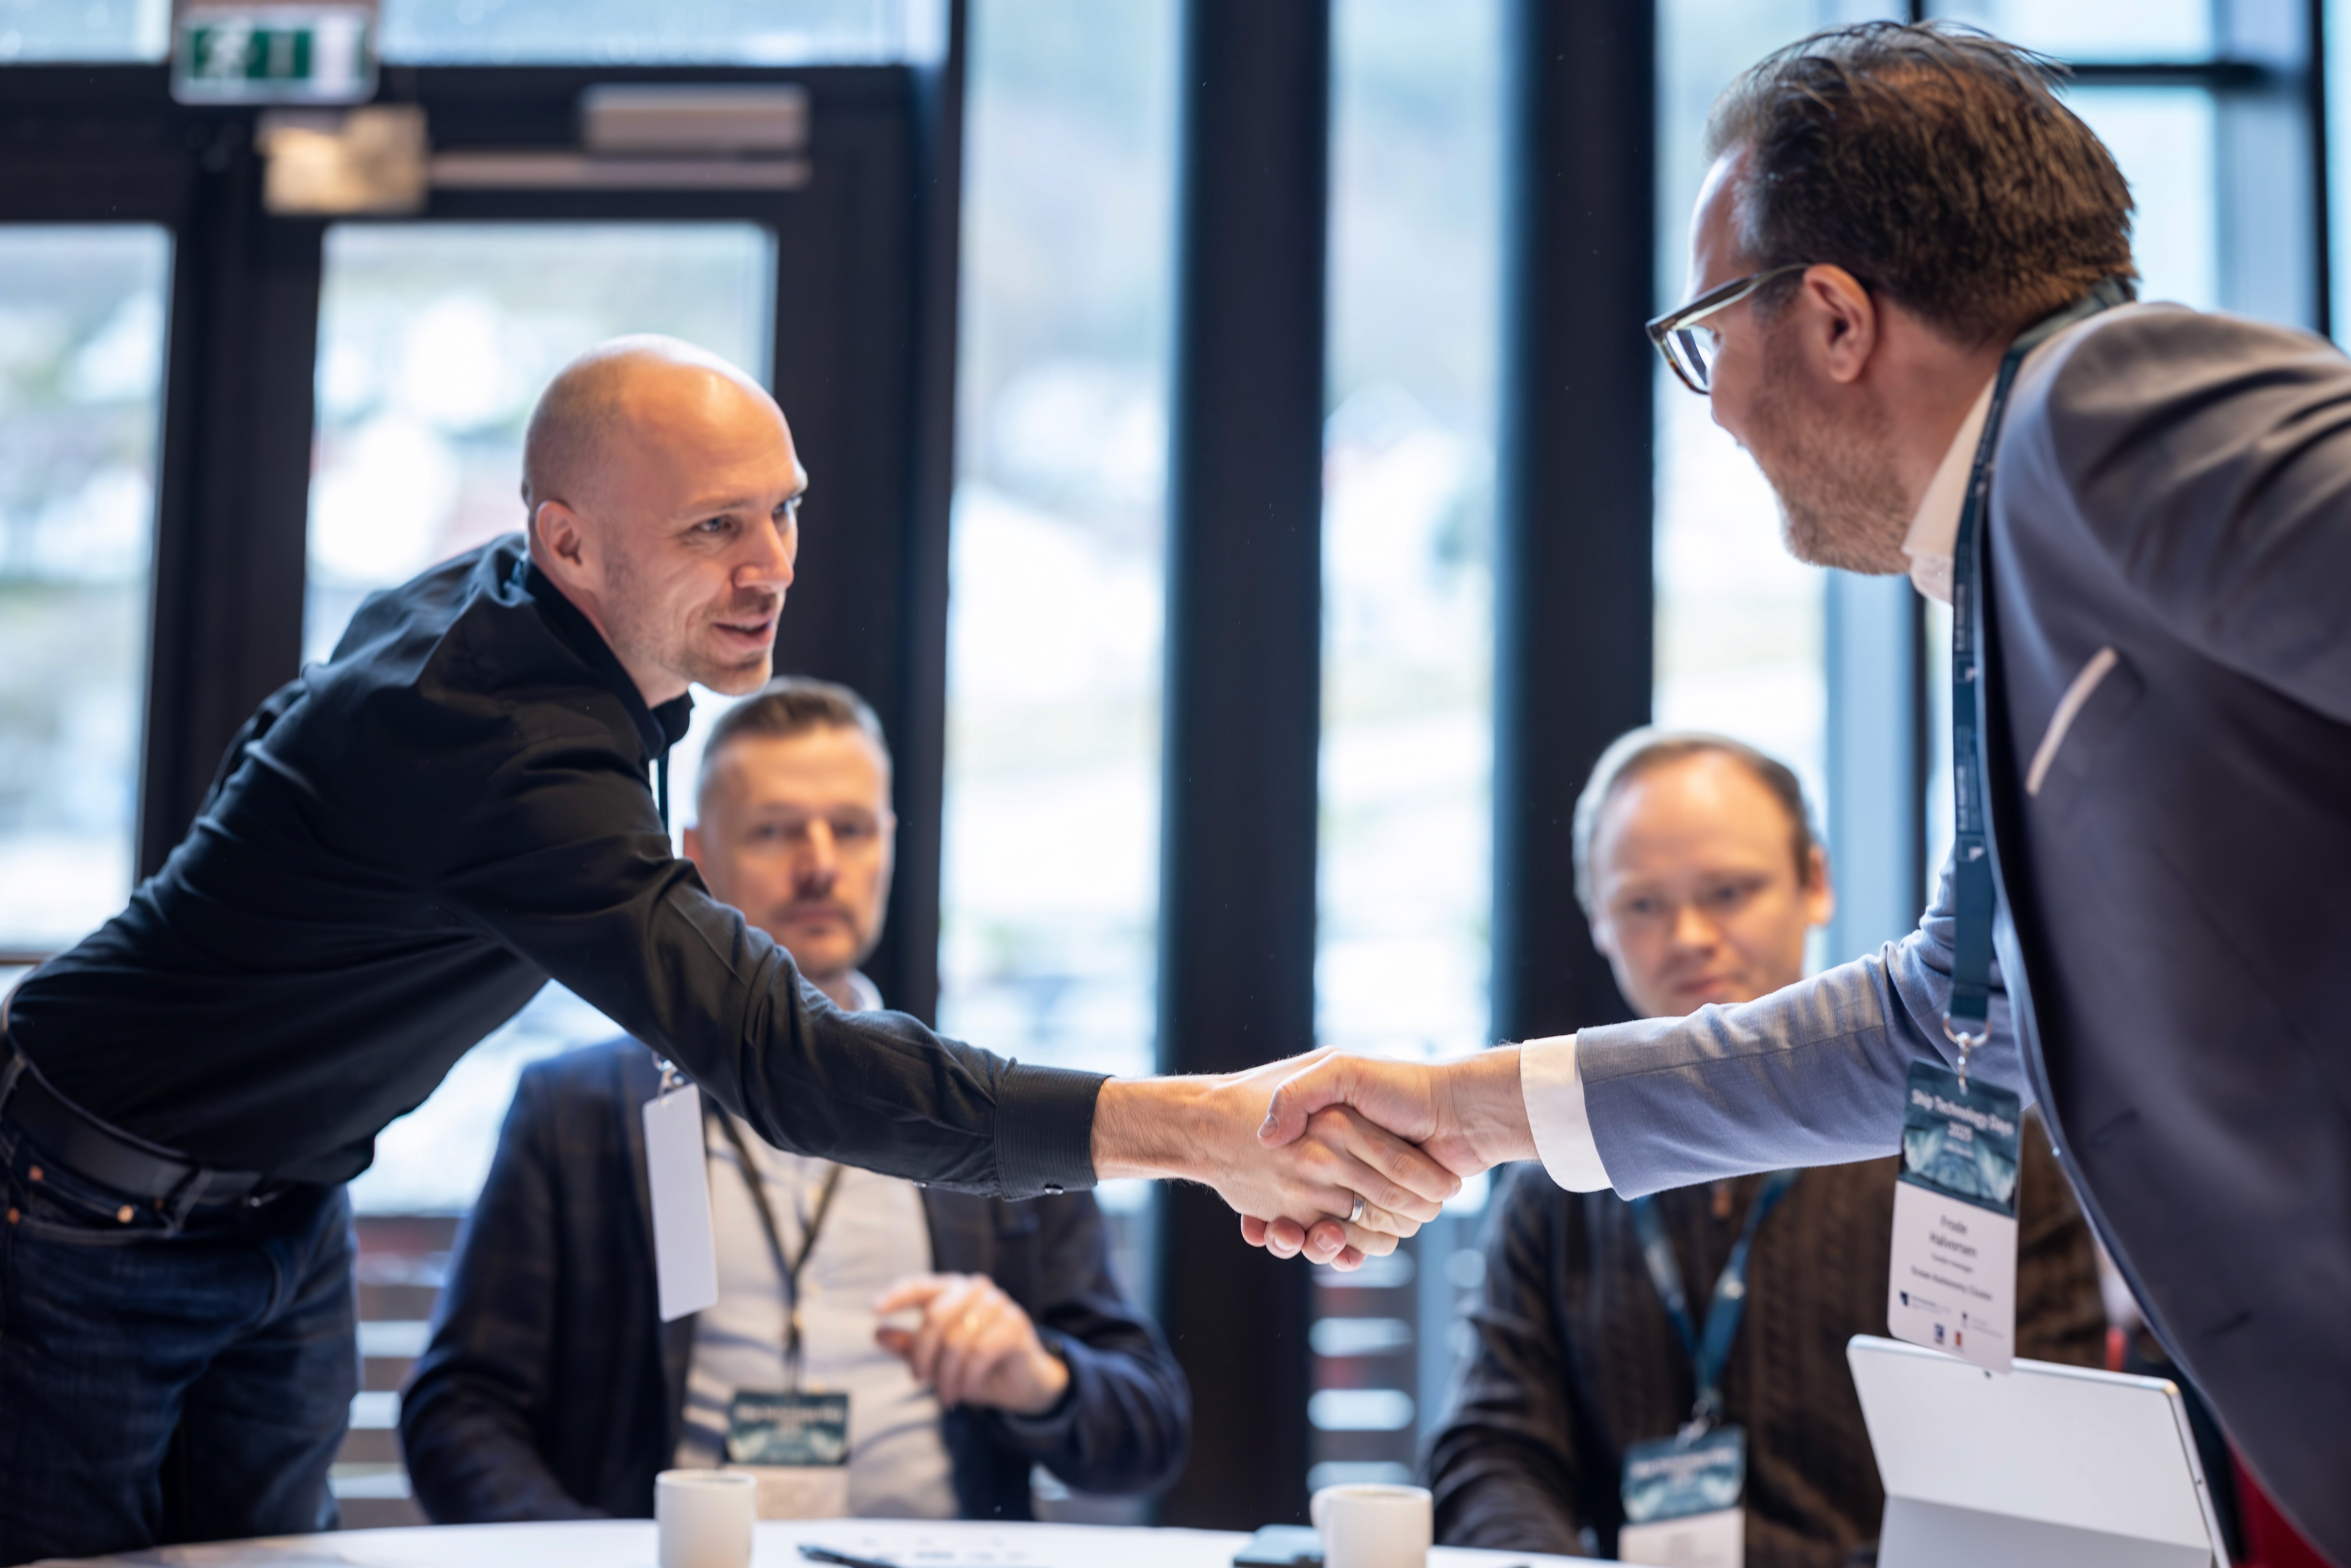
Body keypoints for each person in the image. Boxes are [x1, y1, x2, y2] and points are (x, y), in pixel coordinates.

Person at [0, 337, 1450, 1562]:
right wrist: (1203, 1129)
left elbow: (278, 742)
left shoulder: (509, 620)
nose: (771, 569)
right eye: (711, 530)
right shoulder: (497, 743)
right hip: (77, 1208)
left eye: (783, 511)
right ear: (567, 541)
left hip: (284, 1201)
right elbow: (786, 1061)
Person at [1258, 25, 2351, 1558]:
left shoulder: (2100, 405)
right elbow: (1932, 1024)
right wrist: (1462, 1109)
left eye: (1711, 327)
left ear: (1835, 318)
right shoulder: (2012, 558)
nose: (1711, 404)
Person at [402, 679, 1188, 1522]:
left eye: (851, 829)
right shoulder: (577, 1112)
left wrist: (1039, 1378)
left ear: (888, 845)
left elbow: (1150, 1430)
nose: (820, 865)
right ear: (696, 856)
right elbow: (457, 1412)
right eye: (776, 830)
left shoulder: (991, 1109)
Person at [1426, 729, 2104, 1567]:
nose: (1688, 935)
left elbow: (2034, 1455)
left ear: (1814, 882)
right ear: (1597, 920)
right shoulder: (1553, 1180)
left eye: (1728, 891)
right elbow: (1492, 1451)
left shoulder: (1969, 1139)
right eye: (1642, 905)